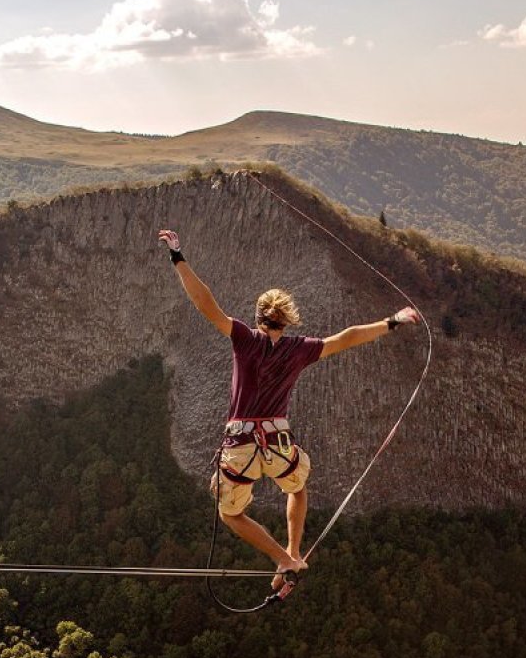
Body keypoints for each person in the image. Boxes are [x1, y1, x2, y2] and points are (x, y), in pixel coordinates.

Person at [158, 229, 418, 592]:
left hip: (241, 444)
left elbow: (205, 303)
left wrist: (178, 256)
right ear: (288, 319)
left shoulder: (245, 339)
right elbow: (346, 337)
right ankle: (294, 552)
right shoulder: (300, 349)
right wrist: (393, 321)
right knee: (297, 489)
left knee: (230, 514)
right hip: (279, 444)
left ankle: (282, 558)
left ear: (259, 316)